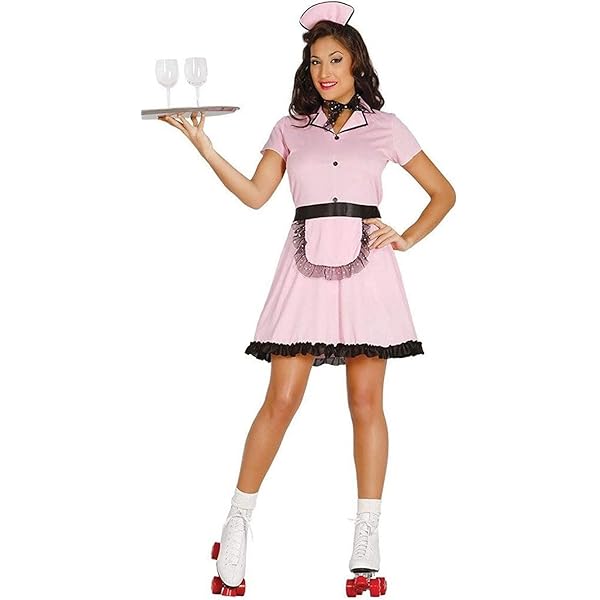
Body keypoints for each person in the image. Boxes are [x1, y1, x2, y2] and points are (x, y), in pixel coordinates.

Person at [159, 1, 455, 594]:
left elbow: (443, 193)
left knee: (366, 403)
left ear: (356, 63)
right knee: (282, 398)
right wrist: (205, 147)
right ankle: (237, 521)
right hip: (304, 266)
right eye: (316, 61)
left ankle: (367, 534)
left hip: (368, 271)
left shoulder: (387, 126)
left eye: (335, 60)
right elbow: (255, 194)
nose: (325, 72)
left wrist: (406, 236)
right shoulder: (289, 127)